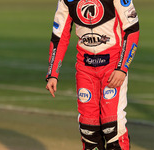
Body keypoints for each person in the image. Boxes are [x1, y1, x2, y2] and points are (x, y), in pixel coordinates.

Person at [46, 0, 139, 149]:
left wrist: (122, 68)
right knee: (88, 130)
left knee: (113, 128)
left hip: (112, 66)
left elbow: (132, 28)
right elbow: (59, 35)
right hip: (85, 69)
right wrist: (53, 73)